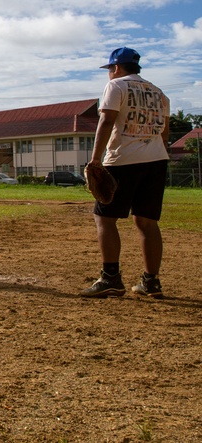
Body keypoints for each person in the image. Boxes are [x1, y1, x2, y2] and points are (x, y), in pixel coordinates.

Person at [80, 47, 170, 299]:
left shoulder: (116, 86)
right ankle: (151, 282)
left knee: (105, 218)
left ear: (116, 68)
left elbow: (106, 121)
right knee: (146, 221)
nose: (109, 73)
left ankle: (110, 278)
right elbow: (164, 132)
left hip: (122, 160)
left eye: (109, 68)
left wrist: (95, 160)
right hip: (156, 160)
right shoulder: (159, 92)